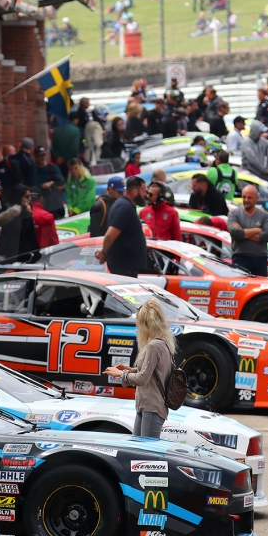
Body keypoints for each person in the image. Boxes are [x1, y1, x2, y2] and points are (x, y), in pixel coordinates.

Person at [102, 300, 174, 437]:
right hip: (146, 406)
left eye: (139, 322)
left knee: (147, 454)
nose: (137, 325)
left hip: (152, 407)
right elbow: (153, 373)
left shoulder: (154, 346)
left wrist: (121, 374)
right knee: (138, 449)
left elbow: (143, 378)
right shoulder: (161, 343)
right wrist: (130, 370)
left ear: (146, 324)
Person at [95, 176, 148, 277]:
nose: (145, 194)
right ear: (135, 191)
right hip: (124, 267)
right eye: (144, 191)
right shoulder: (124, 207)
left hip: (127, 266)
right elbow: (110, 235)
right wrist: (104, 252)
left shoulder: (126, 205)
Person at [227, 185, 268, 276]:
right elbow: (235, 233)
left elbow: (267, 236)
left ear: (257, 198)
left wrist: (242, 231)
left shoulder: (264, 215)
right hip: (240, 257)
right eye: (244, 197)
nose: (246, 200)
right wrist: (257, 230)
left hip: (260, 259)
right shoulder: (234, 214)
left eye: (249, 197)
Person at [0, 185, 40, 260]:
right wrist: (24, 211)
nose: (30, 199)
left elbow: (31, 234)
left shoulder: (28, 209)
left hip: (28, 252)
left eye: (30, 196)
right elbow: (18, 230)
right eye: (27, 197)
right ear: (19, 197)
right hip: (14, 252)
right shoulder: (9, 210)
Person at [33, 146, 66, 219]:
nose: (42, 158)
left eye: (44, 155)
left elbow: (62, 183)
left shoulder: (53, 167)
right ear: (35, 156)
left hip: (53, 203)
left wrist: (52, 183)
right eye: (40, 156)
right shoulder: (32, 169)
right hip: (38, 202)